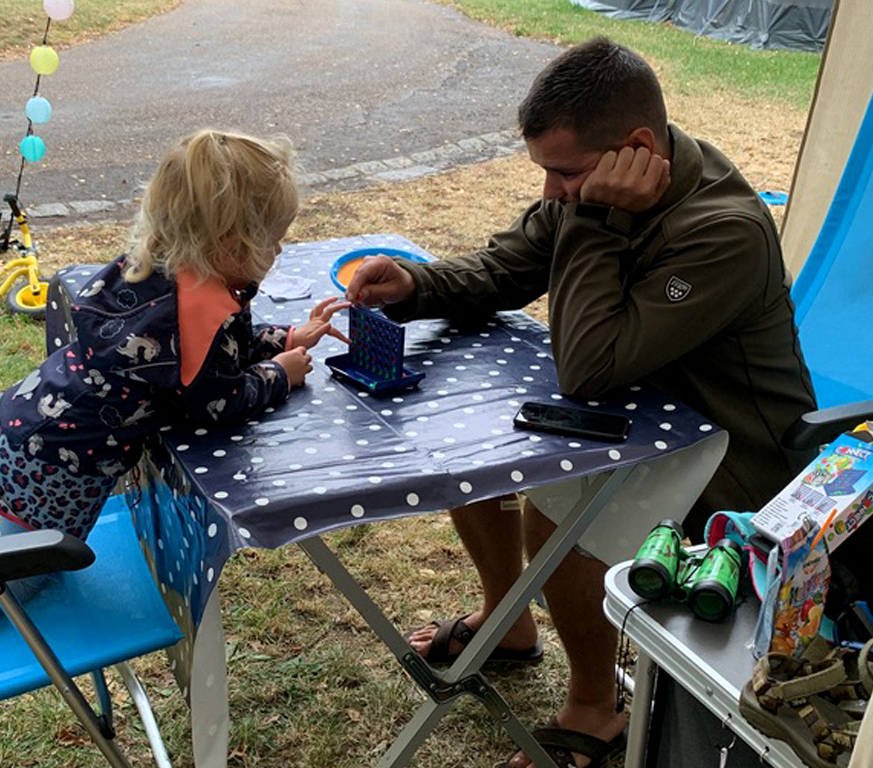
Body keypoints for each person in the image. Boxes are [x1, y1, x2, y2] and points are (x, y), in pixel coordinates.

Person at [347, 37, 817, 768]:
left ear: (633, 146)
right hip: (636, 421)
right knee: (481, 447)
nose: (551, 193)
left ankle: (595, 710)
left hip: (731, 464)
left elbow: (589, 367)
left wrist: (596, 224)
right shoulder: (593, 183)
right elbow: (510, 264)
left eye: (562, 174)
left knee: (554, 507)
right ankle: (509, 622)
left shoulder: (722, 229)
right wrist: (417, 286)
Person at [0, 129, 349, 683]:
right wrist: (280, 375)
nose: (278, 252)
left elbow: (208, 357)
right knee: (20, 579)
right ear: (230, 246)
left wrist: (282, 338)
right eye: (272, 240)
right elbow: (217, 400)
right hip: (56, 471)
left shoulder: (153, 267)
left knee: (18, 553)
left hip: (23, 427)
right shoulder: (200, 311)